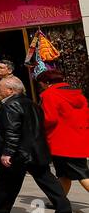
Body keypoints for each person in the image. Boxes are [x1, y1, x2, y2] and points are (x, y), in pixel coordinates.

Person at [0, 75, 77, 213]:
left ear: (10, 90)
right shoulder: (31, 103)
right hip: (36, 151)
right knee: (49, 183)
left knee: (5, 183)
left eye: (0, 88)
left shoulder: (11, 105)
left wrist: (7, 152)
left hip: (18, 154)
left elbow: (12, 131)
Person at [36, 70, 89, 199]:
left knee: (82, 174)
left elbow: (50, 119)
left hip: (61, 142)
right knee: (63, 174)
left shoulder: (48, 94)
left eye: (41, 83)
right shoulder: (78, 94)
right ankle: (59, 200)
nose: (41, 86)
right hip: (79, 138)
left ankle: (59, 200)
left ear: (47, 83)